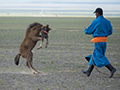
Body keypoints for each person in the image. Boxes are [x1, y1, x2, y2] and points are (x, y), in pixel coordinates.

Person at [82, 8, 116, 78]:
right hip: (104, 41)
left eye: (95, 13)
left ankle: (112, 69)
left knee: (99, 56)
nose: (95, 15)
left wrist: (85, 29)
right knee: (95, 55)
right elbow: (110, 32)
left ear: (97, 13)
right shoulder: (107, 21)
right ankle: (89, 70)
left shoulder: (96, 21)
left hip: (98, 42)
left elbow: (88, 31)